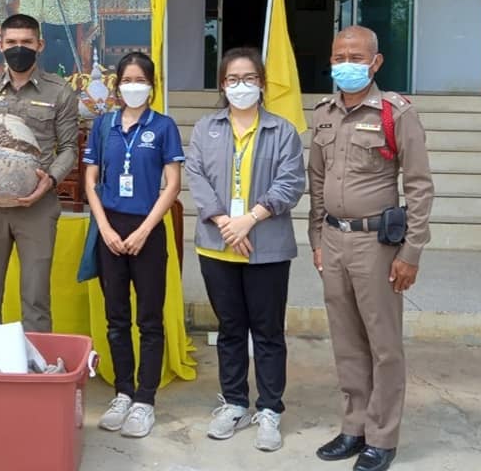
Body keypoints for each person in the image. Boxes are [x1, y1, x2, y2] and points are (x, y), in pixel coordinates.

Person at [308, 25, 434, 471]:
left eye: (357, 58)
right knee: (346, 341)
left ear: (375, 63)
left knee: (383, 344)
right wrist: (317, 240)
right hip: (333, 240)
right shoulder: (323, 114)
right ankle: (354, 427)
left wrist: (411, 252)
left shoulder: (396, 113)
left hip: (376, 244)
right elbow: (317, 182)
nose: (347, 64)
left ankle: (382, 437)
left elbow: (418, 186)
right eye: (339, 56)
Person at [186, 47, 305, 451]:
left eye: (249, 79)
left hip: (266, 247)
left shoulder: (282, 130)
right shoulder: (206, 128)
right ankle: (234, 402)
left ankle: (269, 408)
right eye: (233, 79)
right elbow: (196, 176)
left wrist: (249, 219)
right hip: (217, 246)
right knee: (230, 329)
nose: (241, 86)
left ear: (262, 84)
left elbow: (291, 182)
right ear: (223, 85)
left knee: (268, 331)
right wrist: (225, 223)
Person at [84, 52, 184, 439]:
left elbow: (172, 185)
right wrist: (105, 227)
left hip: (148, 228)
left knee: (149, 319)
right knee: (116, 318)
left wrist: (144, 230)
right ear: (117, 85)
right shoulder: (103, 125)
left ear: (152, 85)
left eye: (140, 80)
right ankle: (123, 392)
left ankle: (145, 400)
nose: (133, 86)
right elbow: (91, 179)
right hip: (110, 227)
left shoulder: (163, 126)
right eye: (127, 79)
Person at [0, 13, 79, 331]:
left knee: (36, 300)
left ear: (40, 45)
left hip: (37, 206)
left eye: (27, 42)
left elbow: (69, 148)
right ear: (1, 45)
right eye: (12, 42)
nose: (20, 48)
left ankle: (35, 361)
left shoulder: (59, 91)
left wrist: (50, 180)